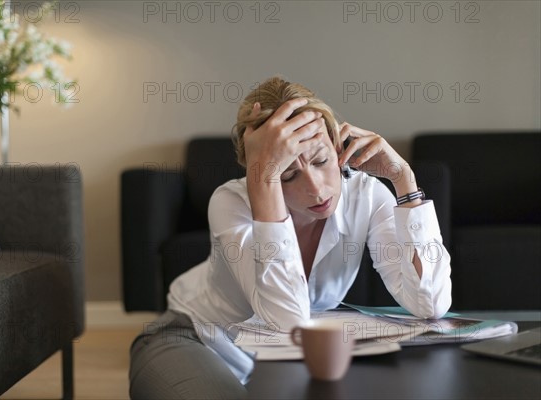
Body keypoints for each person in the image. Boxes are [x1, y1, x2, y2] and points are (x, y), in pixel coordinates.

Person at [129, 76, 452, 399]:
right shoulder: (230, 202)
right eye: (288, 175)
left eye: (322, 160)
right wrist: (263, 180)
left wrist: (403, 179)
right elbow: (288, 323)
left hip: (287, 359)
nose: (315, 188)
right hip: (197, 338)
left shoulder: (365, 195)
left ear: (337, 144)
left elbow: (431, 303)